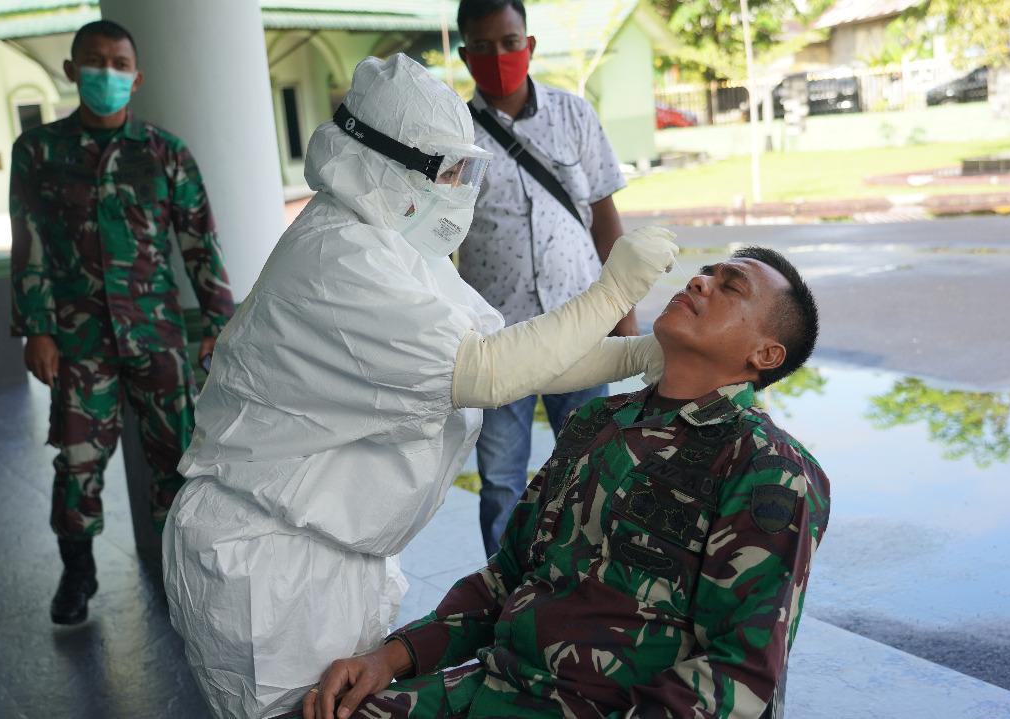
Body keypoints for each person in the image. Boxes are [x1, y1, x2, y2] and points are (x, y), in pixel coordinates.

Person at [162, 53, 678, 719]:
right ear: (381, 159)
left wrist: (638, 351)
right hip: (267, 567)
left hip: (326, 555)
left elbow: (512, 353)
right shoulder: (338, 256)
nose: (460, 188)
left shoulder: (395, 245)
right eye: (449, 170)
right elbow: (487, 373)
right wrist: (613, 291)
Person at [303, 246, 831, 719]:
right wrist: (390, 657)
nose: (699, 283)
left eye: (729, 286)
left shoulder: (767, 469)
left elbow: (737, 672)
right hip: (487, 688)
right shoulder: (597, 422)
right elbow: (508, 574)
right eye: (703, 274)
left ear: (765, 355)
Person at [9, 19, 234, 626]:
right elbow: (27, 243)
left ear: (135, 78)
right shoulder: (39, 152)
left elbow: (199, 243)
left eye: (117, 63)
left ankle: (183, 574)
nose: (106, 72)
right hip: (79, 341)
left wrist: (218, 321)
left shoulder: (165, 152)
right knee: (77, 461)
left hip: (156, 334)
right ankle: (77, 572)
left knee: (179, 460)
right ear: (71, 70)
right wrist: (38, 328)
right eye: (94, 61)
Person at [456, 0, 635, 557]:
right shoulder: (454, 137)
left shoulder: (575, 115)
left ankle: (588, 586)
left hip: (579, 323)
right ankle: (502, 599)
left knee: (592, 473)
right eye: (482, 47)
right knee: (503, 483)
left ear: (528, 45)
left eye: (509, 42)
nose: (499, 56)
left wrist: (624, 311)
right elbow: (437, 244)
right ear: (465, 55)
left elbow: (604, 216)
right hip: (498, 338)